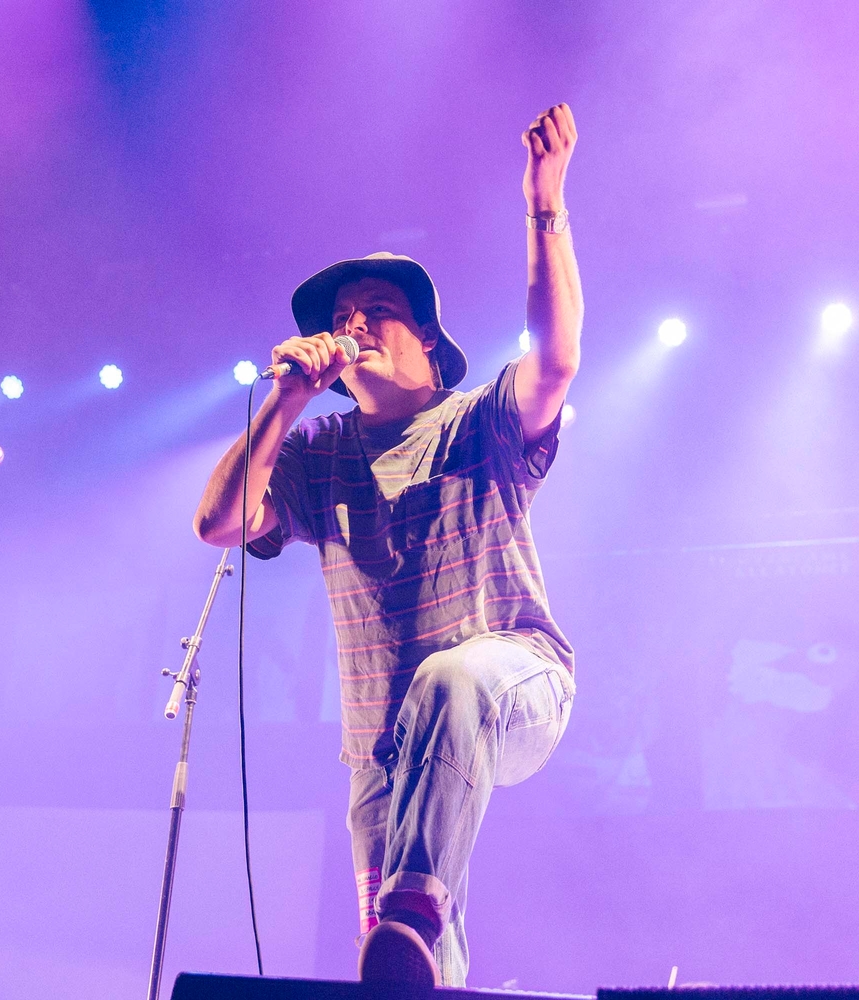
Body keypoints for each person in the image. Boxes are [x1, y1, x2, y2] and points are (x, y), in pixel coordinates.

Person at [192, 104, 582, 987]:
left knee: (451, 677)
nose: (354, 323)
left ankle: (411, 902)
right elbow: (219, 524)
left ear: (433, 348)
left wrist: (544, 206)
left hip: (515, 680)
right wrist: (289, 399)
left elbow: (555, 363)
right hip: (384, 749)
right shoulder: (317, 452)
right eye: (342, 314)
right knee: (404, 967)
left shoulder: (475, 417)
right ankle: (415, 921)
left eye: (378, 310)